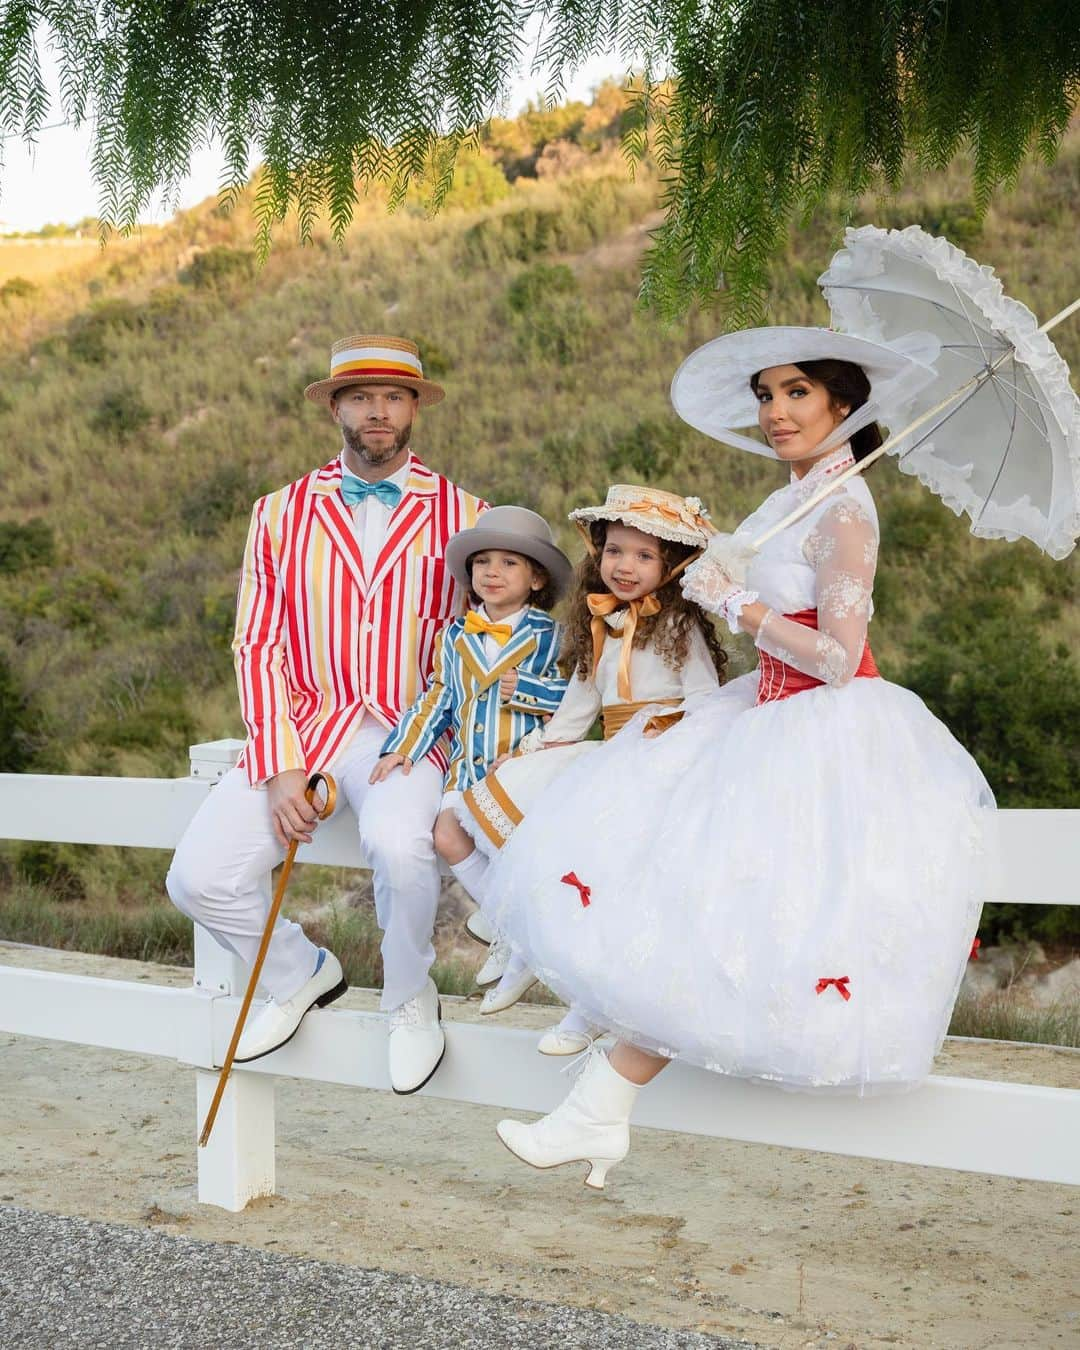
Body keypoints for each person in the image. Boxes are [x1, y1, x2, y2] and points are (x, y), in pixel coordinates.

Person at [488, 327, 997, 1188]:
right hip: (759, 713)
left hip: (817, 730)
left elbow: (839, 656)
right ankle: (596, 1076)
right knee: (663, 869)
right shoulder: (798, 494)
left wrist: (739, 604)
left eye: (797, 393)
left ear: (846, 404)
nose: (774, 412)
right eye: (766, 395)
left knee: (715, 909)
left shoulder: (845, 507)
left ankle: (595, 1097)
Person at [166, 334, 486, 1096]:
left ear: (415, 408)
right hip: (304, 725)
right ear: (336, 406)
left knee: (401, 849)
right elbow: (256, 641)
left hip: (409, 732)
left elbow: (481, 642)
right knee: (198, 878)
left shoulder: (467, 514)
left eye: (394, 397)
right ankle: (300, 970)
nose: (379, 412)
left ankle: (410, 998)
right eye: (362, 397)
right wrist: (279, 770)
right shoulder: (279, 512)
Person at [457, 486, 727, 1044]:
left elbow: (706, 700)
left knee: (607, 879)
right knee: (494, 808)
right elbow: (577, 708)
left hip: (663, 756)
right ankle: (524, 939)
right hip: (607, 751)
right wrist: (535, 750)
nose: (625, 567)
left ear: (672, 566)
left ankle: (583, 1004)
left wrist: (679, 750)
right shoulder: (598, 623)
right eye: (615, 552)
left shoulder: (680, 628)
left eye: (644, 556)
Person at [369, 506, 573, 977]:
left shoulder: (551, 636)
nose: (493, 573)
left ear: (537, 579)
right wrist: (404, 745)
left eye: (509, 563)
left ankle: (531, 938)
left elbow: (578, 697)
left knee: (513, 850)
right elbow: (439, 696)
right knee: (445, 834)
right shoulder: (455, 634)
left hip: (518, 767)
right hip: (467, 768)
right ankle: (514, 929)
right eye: (483, 562)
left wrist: (527, 688)